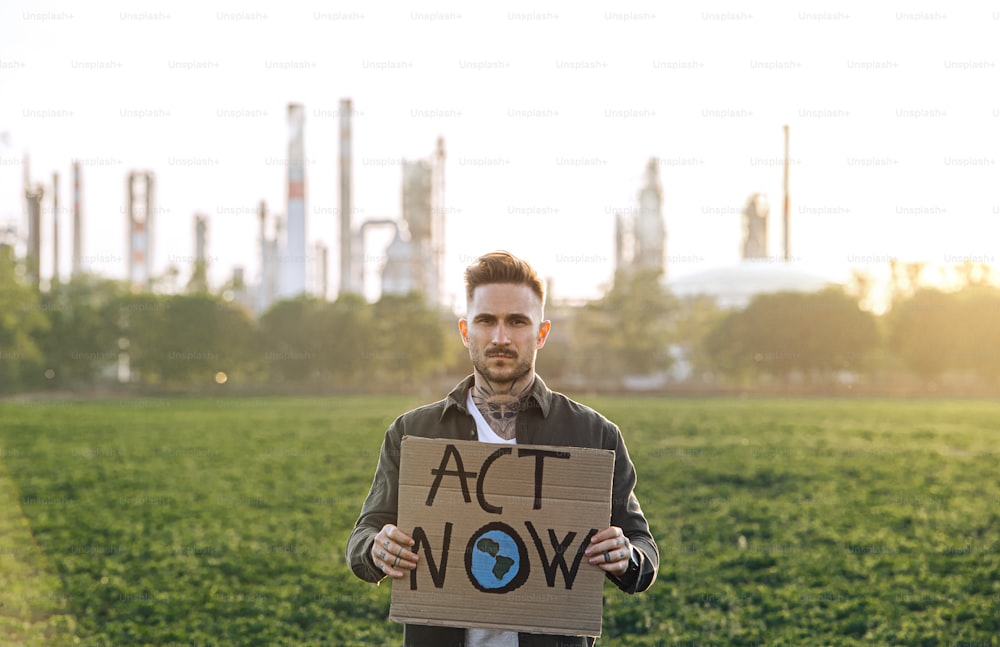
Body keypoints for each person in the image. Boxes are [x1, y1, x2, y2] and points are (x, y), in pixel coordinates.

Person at [347, 251, 659, 647]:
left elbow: (643, 548)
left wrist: (626, 556)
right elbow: (363, 534)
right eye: (486, 321)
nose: (500, 337)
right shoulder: (413, 433)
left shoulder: (594, 435)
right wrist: (376, 548)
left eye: (517, 321)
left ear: (541, 333)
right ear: (465, 331)